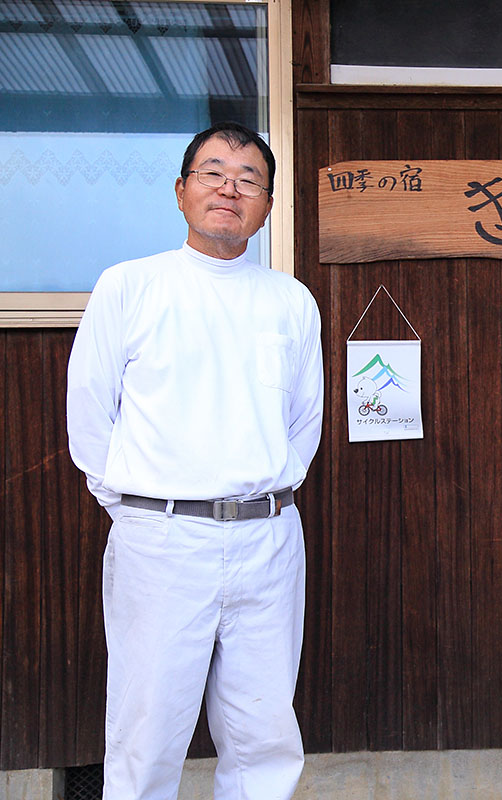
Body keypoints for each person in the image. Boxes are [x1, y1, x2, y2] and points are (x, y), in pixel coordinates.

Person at [66, 122, 323, 800]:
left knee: (263, 733)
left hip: (268, 537)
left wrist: (261, 496)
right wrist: (141, 509)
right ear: (181, 191)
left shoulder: (290, 300)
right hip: (160, 538)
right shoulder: (130, 286)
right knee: (147, 730)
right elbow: (88, 416)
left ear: (268, 206)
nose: (229, 190)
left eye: (248, 180)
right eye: (213, 174)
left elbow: (303, 426)